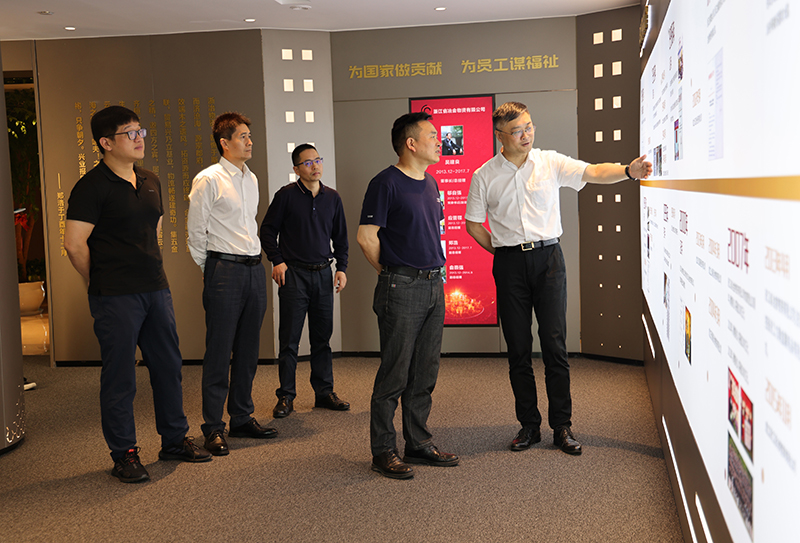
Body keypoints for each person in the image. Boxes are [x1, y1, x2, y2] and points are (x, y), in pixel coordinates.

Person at [465, 101, 652, 455]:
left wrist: (629, 171)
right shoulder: (484, 175)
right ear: (500, 135)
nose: (526, 135)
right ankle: (529, 426)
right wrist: (503, 251)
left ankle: (562, 426)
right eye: (518, 131)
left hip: (549, 259)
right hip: (509, 265)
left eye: (529, 126)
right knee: (518, 348)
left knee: (554, 345)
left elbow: (593, 172)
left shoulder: (549, 162)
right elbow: (473, 224)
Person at [65, 105, 211, 483]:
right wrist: (101, 280)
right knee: (120, 377)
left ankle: (174, 440)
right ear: (105, 142)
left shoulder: (150, 179)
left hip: (155, 289)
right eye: (129, 133)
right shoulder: (91, 187)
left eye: (140, 131)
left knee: (168, 367)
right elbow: (74, 244)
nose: (139, 138)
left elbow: (153, 229)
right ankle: (125, 453)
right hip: (115, 296)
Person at [357, 112, 459, 479]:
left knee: (424, 372)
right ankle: (383, 450)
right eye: (432, 134)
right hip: (402, 286)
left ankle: (418, 442)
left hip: (433, 285)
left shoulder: (430, 183)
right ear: (411, 143)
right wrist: (391, 274)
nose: (438, 140)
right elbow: (366, 237)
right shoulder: (385, 183)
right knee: (395, 373)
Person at [187, 112, 277, 456]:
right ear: (224, 143)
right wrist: (210, 268)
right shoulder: (208, 179)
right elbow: (196, 232)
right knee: (219, 350)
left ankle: (241, 416)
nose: (250, 141)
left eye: (249, 135)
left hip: (254, 269)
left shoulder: (251, 178)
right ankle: (213, 426)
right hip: (223, 269)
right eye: (242, 136)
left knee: (249, 349)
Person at [260, 144, 350, 418]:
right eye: (308, 162)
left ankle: (324, 392)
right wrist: (277, 260)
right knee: (290, 339)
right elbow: (267, 231)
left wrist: (342, 268)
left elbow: (341, 238)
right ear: (296, 169)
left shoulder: (332, 197)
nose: (315, 166)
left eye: (318, 160)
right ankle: (286, 396)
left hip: (323, 274)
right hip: (294, 275)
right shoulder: (286, 196)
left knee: (322, 338)